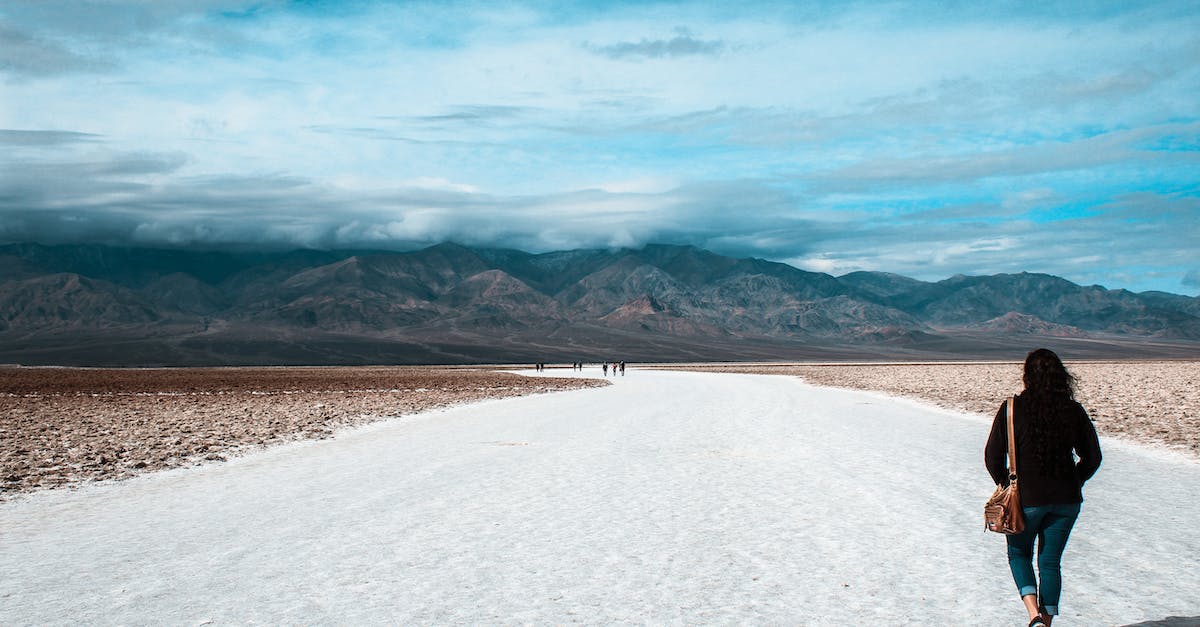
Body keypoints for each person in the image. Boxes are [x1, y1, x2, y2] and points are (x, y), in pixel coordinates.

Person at [985, 348, 1102, 627]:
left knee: (1018, 553)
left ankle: (1032, 613)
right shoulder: (1073, 410)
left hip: (1026, 498)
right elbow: (1093, 457)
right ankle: (1046, 622)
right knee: (1050, 562)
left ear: (1027, 376)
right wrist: (1076, 479)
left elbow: (992, 456)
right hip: (1066, 500)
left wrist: (1007, 484)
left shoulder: (1012, 408)